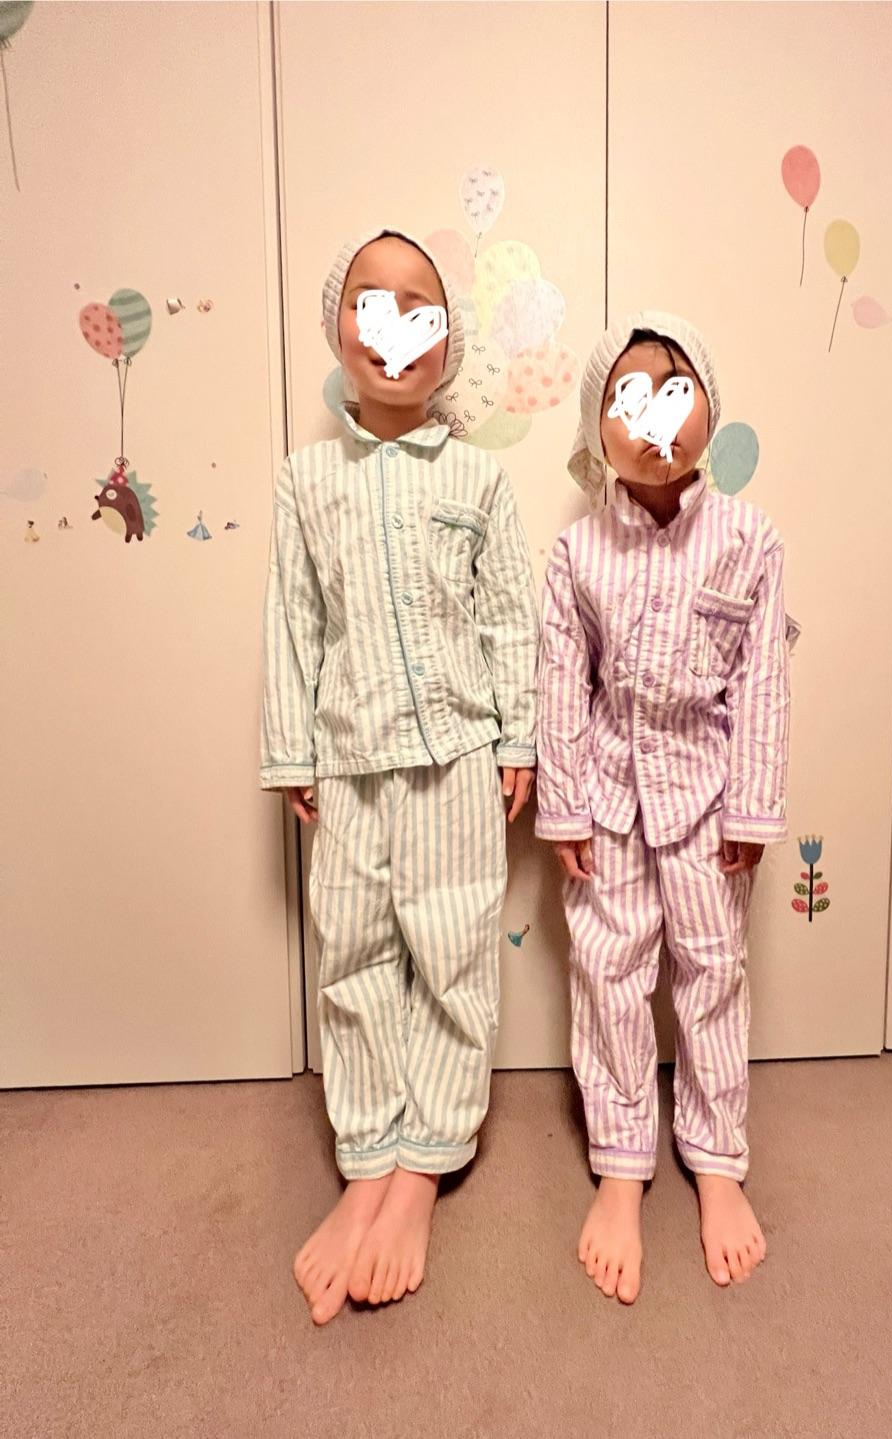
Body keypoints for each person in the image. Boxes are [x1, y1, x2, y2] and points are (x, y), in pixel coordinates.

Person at [261, 227, 538, 1322]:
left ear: (447, 339)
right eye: (369, 303)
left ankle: (424, 1163)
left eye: (418, 307)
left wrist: (518, 739)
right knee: (355, 954)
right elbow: (294, 622)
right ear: (338, 326)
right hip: (347, 761)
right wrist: (291, 749)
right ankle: (368, 1157)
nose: (392, 328)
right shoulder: (305, 479)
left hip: (458, 760)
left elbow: (509, 617)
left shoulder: (478, 476)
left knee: (454, 953)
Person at [537, 312, 792, 1304]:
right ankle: (620, 1161)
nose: (653, 419)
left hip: (708, 799)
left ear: (709, 410)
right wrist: (564, 808)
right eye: (628, 398)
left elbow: (762, 680)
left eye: (674, 393)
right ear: (597, 426)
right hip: (607, 796)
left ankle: (717, 1158)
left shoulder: (750, 540)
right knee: (608, 970)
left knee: (713, 970)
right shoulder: (576, 553)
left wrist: (753, 809)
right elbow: (562, 684)